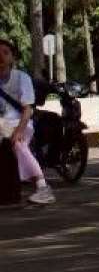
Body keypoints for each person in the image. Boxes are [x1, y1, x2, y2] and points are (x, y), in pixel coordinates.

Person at [0, 39, 53, 206]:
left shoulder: (22, 78)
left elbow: (27, 109)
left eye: (5, 52)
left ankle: (42, 187)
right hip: (2, 124)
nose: (1, 56)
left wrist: (19, 130)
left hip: (21, 122)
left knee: (18, 144)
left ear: (12, 58)